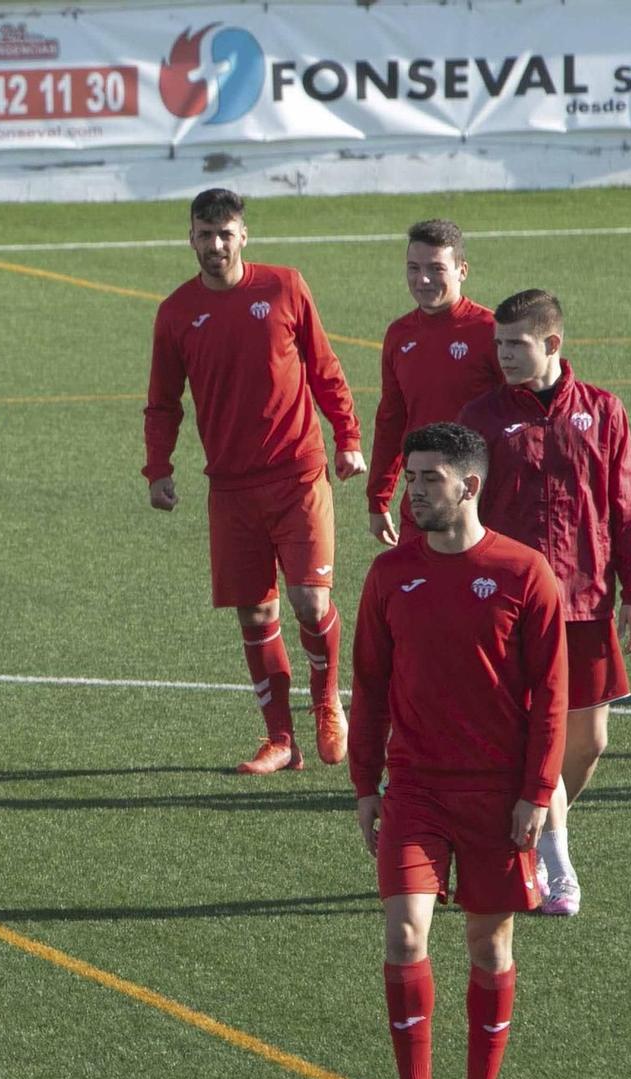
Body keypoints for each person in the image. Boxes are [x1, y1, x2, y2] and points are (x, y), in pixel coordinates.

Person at [349, 421, 566, 1079]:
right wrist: (363, 783)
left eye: (429, 479)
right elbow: (371, 686)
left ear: (469, 485)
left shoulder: (524, 572)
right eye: (411, 479)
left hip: (496, 793)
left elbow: (551, 696)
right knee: (406, 930)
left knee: (488, 942)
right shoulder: (389, 575)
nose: (414, 493)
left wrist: (536, 792)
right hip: (413, 788)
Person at [143, 188, 364, 774]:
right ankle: (280, 740)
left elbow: (324, 367)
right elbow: (163, 402)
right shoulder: (175, 313)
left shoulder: (285, 286)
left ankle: (326, 701)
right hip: (232, 488)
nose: (215, 245)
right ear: (190, 237)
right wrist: (158, 468)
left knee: (310, 600)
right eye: (204, 234)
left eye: (225, 233)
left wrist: (348, 439)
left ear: (244, 235)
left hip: (298, 474)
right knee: (256, 614)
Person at [458, 290, 631, 916]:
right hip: (510, 606)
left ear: (552, 345)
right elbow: (462, 509)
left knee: (590, 740)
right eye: (498, 345)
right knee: (535, 737)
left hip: (588, 599)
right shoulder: (481, 416)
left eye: (516, 345)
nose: (505, 357)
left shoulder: (602, 411)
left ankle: (528, 832)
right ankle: (557, 866)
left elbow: (626, 508)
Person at [365, 220, 505, 546]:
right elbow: (391, 420)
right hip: (422, 498)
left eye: (436, 268)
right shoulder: (399, 335)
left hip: (481, 498)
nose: (422, 279)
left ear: (462, 270)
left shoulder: (492, 332)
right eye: (413, 268)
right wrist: (378, 496)